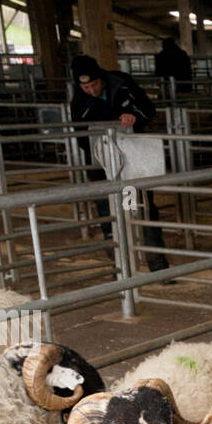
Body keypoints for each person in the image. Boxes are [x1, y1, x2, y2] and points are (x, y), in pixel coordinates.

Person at [70, 53, 169, 273]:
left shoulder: (122, 84)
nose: (92, 90)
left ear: (100, 76)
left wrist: (133, 115)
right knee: (109, 213)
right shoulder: (79, 101)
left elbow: (148, 110)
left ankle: (156, 264)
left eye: (95, 84)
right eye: (86, 88)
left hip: (132, 163)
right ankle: (120, 267)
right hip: (102, 166)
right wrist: (103, 153)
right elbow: (81, 138)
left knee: (139, 207)